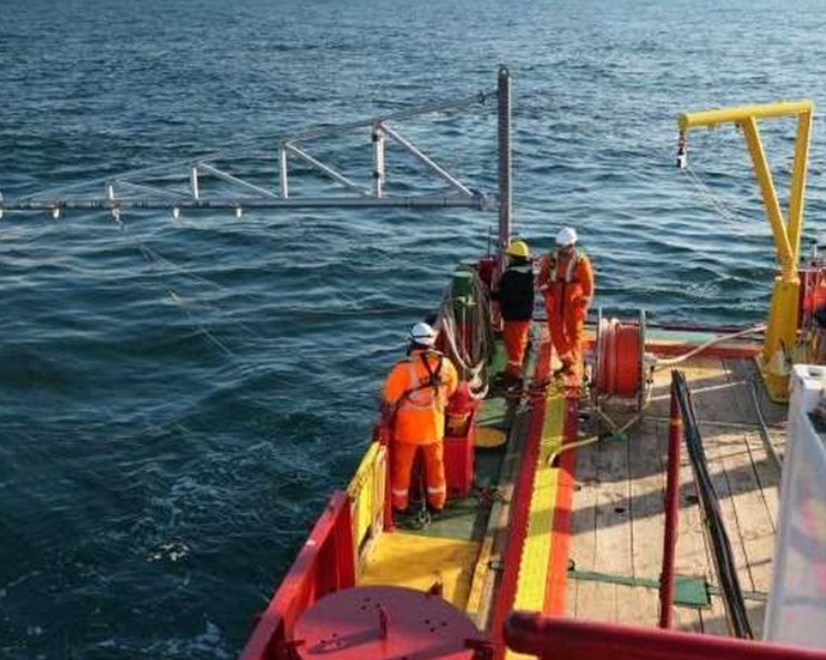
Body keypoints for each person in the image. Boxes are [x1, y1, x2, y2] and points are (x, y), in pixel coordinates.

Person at [382, 322, 459, 513]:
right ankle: (437, 502)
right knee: (436, 465)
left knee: (403, 467)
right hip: (435, 425)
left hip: (408, 429)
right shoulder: (445, 364)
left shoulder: (403, 369)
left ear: (412, 343)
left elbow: (389, 397)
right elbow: (452, 388)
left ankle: (400, 504)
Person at [538, 227, 594, 377]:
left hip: (573, 300)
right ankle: (566, 360)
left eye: (564, 247)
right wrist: (546, 295)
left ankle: (572, 363)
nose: (562, 251)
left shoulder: (582, 261)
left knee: (574, 333)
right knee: (555, 331)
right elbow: (542, 279)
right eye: (560, 247)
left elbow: (588, 288)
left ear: (572, 245)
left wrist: (583, 305)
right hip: (555, 298)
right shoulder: (550, 258)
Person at [491, 240, 535, 388]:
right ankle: (511, 372)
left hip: (513, 316)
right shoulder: (529, 272)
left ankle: (514, 378)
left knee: (514, 347)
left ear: (514, 258)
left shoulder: (510, 275)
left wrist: (489, 294)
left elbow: (503, 295)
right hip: (523, 315)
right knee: (517, 344)